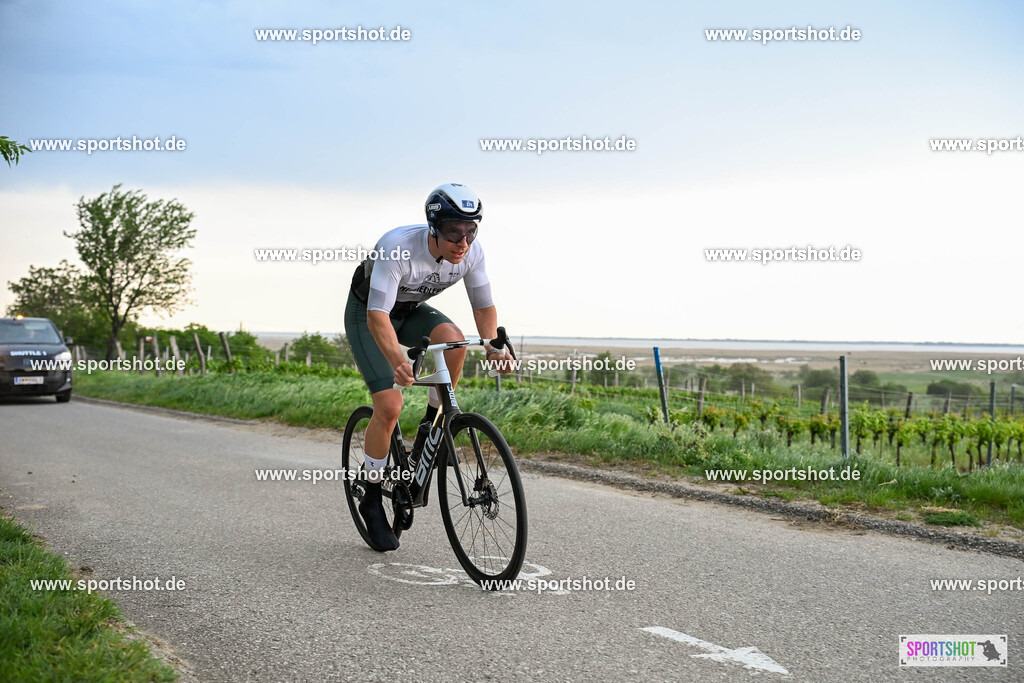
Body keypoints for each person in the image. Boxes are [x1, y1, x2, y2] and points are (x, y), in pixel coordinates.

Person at [344, 183, 512, 550]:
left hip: (411, 312)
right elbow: (377, 315)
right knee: (389, 406)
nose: (463, 242)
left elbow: (483, 309)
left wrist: (494, 347)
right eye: (454, 231)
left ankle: (432, 426)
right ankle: (371, 494)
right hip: (370, 314)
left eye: (471, 231)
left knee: (453, 338)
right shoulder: (397, 246)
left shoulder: (472, 252)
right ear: (434, 227)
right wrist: (397, 361)